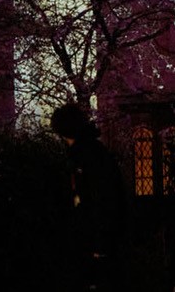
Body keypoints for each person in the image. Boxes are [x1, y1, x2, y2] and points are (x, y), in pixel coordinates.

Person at [51, 103, 129, 291]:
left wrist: (99, 242)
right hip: (93, 238)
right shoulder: (91, 153)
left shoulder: (86, 156)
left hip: (93, 240)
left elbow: (101, 198)